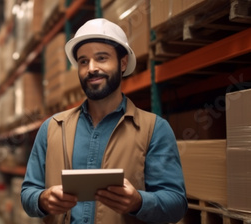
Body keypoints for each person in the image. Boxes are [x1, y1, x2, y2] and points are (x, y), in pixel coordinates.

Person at [20, 18, 187, 224]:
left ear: (122, 63)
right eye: (83, 61)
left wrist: (139, 202)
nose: (91, 68)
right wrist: (42, 200)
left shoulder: (154, 129)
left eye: (101, 58)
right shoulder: (52, 127)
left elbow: (176, 203)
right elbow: (28, 192)